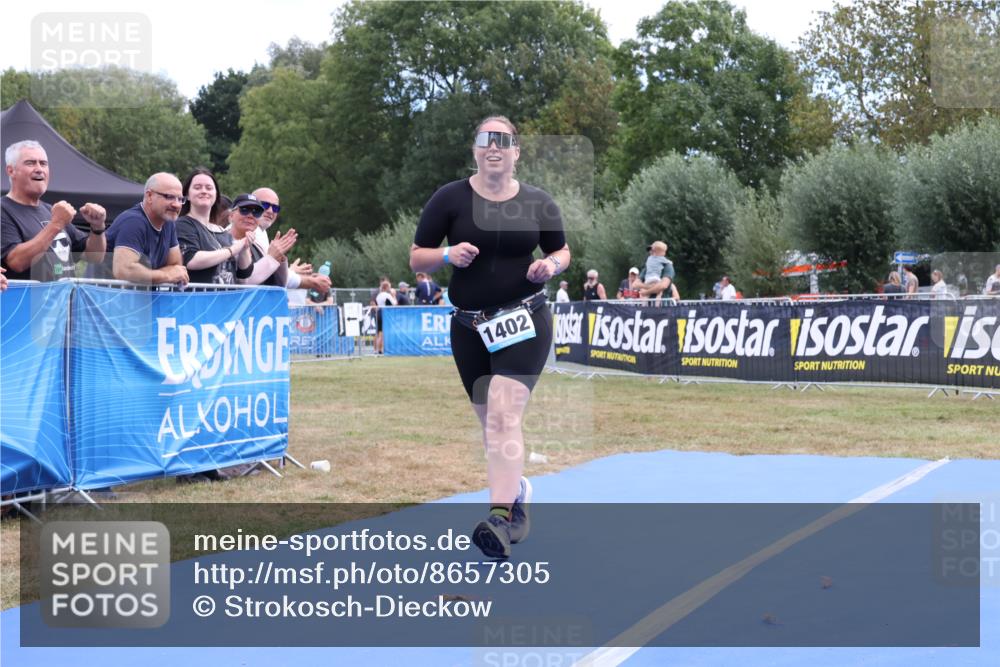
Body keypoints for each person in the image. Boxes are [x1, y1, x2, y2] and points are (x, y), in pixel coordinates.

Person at [410, 115, 570, 559]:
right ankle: (516, 488)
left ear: (516, 152)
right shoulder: (449, 198)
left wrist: (551, 266)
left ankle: (501, 519)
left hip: (525, 319)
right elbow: (417, 259)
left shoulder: (539, 201)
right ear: (475, 150)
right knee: (492, 427)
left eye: (503, 140)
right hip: (469, 327)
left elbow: (562, 250)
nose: (493, 147)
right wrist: (446, 253)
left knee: (503, 413)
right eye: (485, 139)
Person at [2, 140, 107, 281]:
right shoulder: (4, 210)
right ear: (11, 171)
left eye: (43, 163)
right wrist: (56, 224)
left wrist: (97, 227)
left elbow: (94, 256)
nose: (39, 169)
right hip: (28, 302)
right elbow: (16, 262)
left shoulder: (50, 210)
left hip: (64, 302)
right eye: (30, 163)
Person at [106, 173, 188, 286]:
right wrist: (166, 275)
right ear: (149, 196)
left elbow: (175, 266)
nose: (177, 205)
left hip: (135, 300)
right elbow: (124, 270)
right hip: (104, 299)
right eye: (169, 197)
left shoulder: (168, 221)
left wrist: (152, 275)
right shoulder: (133, 222)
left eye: (180, 199)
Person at [175, 168, 252, 284]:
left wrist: (244, 248)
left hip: (226, 300)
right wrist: (232, 250)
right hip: (198, 300)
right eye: (197, 187)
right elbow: (191, 260)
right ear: (187, 195)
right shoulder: (183, 224)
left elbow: (244, 274)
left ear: (216, 195)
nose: (204, 191)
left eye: (209, 188)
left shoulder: (221, 231)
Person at [252, 187, 331, 295]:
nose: (270, 211)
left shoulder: (261, 232)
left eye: (275, 208)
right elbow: (251, 276)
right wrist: (312, 282)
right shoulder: (248, 232)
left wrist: (290, 271)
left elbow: (264, 270)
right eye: (265, 205)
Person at [229, 193, 295, 286]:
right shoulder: (220, 241)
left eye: (257, 211)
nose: (250, 215)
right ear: (231, 215)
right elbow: (243, 282)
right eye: (244, 210)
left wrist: (278, 258)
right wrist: (271, 257)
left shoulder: (256, 245)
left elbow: (278, 285)